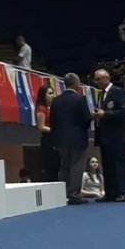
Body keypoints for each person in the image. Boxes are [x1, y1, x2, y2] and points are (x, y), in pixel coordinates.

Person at [49, 73, 92, 205]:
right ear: (77, 83)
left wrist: (55, 139)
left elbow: (53, 122)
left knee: (64, 166)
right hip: (78, 137)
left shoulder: (56, 100)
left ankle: (62, 194)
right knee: (76, 166)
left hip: (61, 139)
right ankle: (74, 195)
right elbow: (87, 119)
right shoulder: (80, 99)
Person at [92, 68, 125, 202]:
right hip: (104, 136)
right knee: (107, 165)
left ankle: (123, 192)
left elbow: (123, 111)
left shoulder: (118, 91)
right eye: (95, 79)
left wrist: (105, 114)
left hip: (116, 135)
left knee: (118, 164)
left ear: (106, 78)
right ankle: (110, 192)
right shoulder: (101, 94)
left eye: (98, 79)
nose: (96, 82)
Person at [34, 84, 59, 182]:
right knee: (50, 165)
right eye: (50, 93)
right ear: (43, 95)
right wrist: (55, 130)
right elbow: (41, 127)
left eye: (53, 93)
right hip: (48, 139)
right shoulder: (41, 108)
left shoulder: (51, 108)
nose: (52, 95)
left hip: (54, 137)